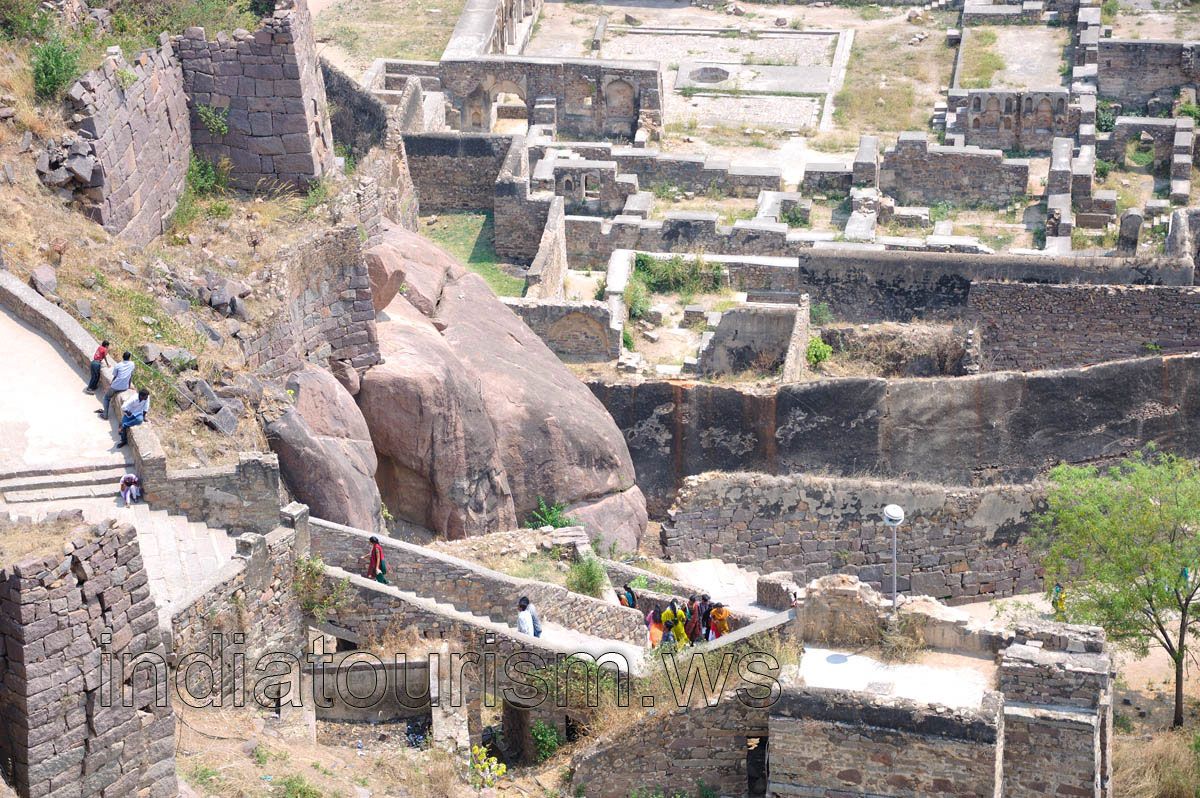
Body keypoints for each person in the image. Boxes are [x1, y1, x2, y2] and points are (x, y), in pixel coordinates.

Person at [96, 352, 135, 420]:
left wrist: (111, 384)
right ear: (129, 358)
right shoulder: (132, 364)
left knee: (106, 397)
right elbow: (130, 376)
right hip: (125, 387)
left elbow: (115, 377)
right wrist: (128, 385)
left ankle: (105, 414)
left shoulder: (118, 365)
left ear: (122, 357)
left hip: (116, 386)